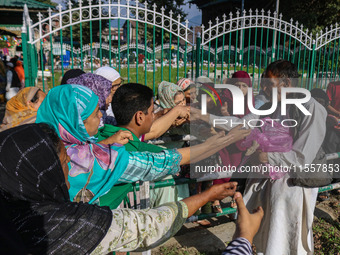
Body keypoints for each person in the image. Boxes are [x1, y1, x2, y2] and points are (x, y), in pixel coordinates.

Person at [0, 123, 239, 254]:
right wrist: (208, 196)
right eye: (64, 162)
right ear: (42, 170)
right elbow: (149, 225)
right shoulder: (66, 224)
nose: (71, 166)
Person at [36, 84, 250, 205]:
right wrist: (225, 140)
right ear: (76, 122)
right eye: (95, 114)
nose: (102, 117)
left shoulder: (40, 144)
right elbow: (164, 160)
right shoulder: (103, 158)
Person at [242, 60, 327, 254]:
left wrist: (268, 157)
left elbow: (302, 157)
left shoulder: (311, 108)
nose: (263, 88)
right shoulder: (272, 106)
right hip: (270, 183)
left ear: (286, 83)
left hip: (294, 187)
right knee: (268, 236)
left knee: (287, 236)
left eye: (268, 84)